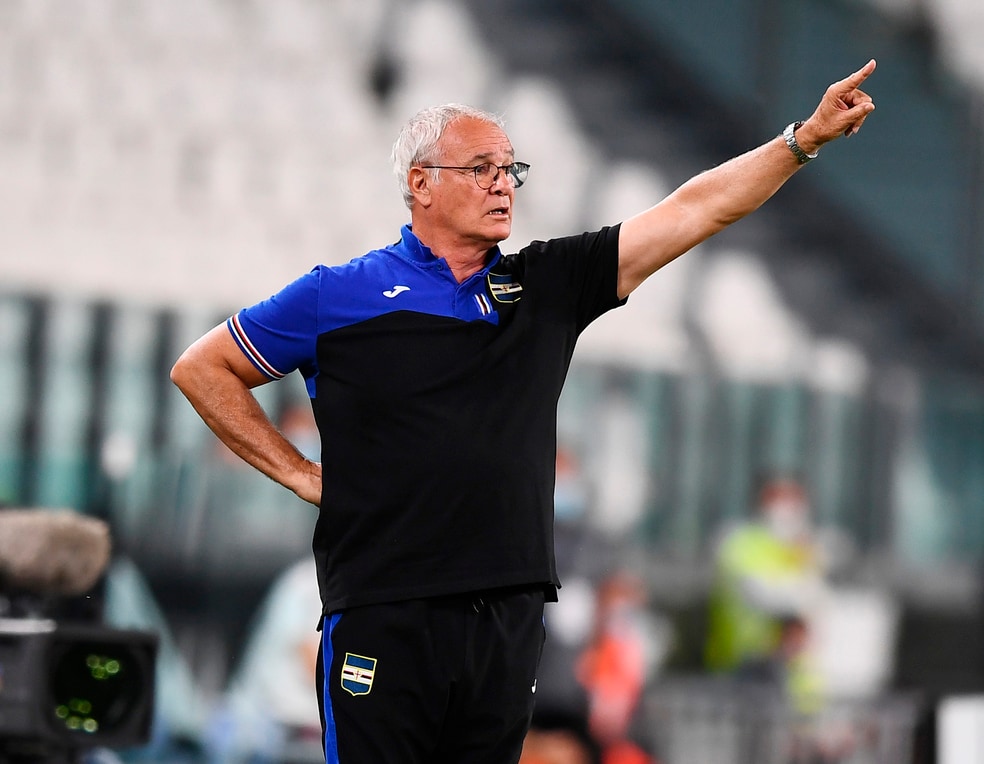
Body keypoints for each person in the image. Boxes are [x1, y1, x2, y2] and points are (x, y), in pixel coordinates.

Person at [169, 61, 877, 763]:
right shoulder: (339, 294)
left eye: (510, 169)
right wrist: (298, 472)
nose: (502, 183)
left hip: (507, 615)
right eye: (480, 168)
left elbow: (695, 209)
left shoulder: (546, 284)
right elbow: (203, 368)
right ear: (421, 183)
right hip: (385, 608)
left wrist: (802, 140)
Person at [705, 475, 826, 708]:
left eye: (794, 498)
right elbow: (761, 596)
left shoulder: (805, 546)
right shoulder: (738, 542)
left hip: (799, 686)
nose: (786, 507)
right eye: (778, 497)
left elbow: (817, 602)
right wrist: (801, 592)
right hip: (743, 671)